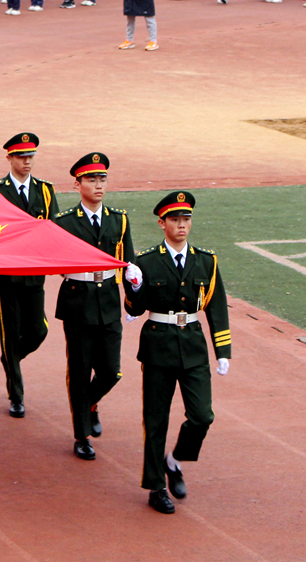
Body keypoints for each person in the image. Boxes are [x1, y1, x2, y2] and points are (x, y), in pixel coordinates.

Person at [124, 192, 231, 514]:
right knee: (155, 420)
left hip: (194, 346)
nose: (181, 224)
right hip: (158, 344)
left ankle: (175, 460)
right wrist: (134, 286)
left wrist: (222, 349)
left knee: (202, 416)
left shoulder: (206, 260)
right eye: (174, 219)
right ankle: (156, 486)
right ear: (162, 223)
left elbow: (217, 306)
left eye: (186, 219)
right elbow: (134, 310)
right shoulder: (146, 261)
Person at [52, 153, 137, 460]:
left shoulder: (119, 220)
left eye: (102, 179)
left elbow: (128, 261)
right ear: (77, 184)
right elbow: (53, 262)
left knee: (111, 372)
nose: (98, 185)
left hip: (109, 303)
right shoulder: (63, 223)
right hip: (78, 302)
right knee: (79, 370)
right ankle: (81, 434)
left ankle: (88, 404)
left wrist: (133, 298)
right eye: (91, 180)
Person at [0, 134, 59, 418]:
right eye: (21, 157)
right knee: (10, 332)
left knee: (38, 330)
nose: (27, 161)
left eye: (31, 156)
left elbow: (53, 228)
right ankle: (16, 395)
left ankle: (11, 359)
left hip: (35, 272)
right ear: (9, 158)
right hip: (7, 274)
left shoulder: (45, 190)